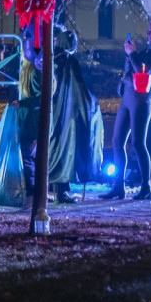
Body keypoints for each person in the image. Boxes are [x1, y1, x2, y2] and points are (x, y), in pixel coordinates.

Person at [100, 17, 151, 201]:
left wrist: (133, 54)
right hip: (128, 97)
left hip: (141, 99)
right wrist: (130, 53)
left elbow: (143, 73)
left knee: (138, 143)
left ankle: (146, 187)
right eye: (148, 31)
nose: (148, 35)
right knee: (117, 140)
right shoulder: (149, 50)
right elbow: (132, 69)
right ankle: (118, 186)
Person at [47, 29, 104, 203]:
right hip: (66, 114)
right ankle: (60, 192)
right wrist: (91, 104)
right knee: (64, 150)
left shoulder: (51, 59)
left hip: (53, 110)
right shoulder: (70, 61)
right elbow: (79, 89)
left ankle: (54, 190)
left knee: (54, 147)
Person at [13, 25, 49, 209]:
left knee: (29, 158)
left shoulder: (34, 72)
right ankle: (37, 194)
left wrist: (22, 104)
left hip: (32, 122)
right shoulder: (29, 71)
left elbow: (41, 99)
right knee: (33, 159)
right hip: (29, 121)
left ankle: (32, 196)